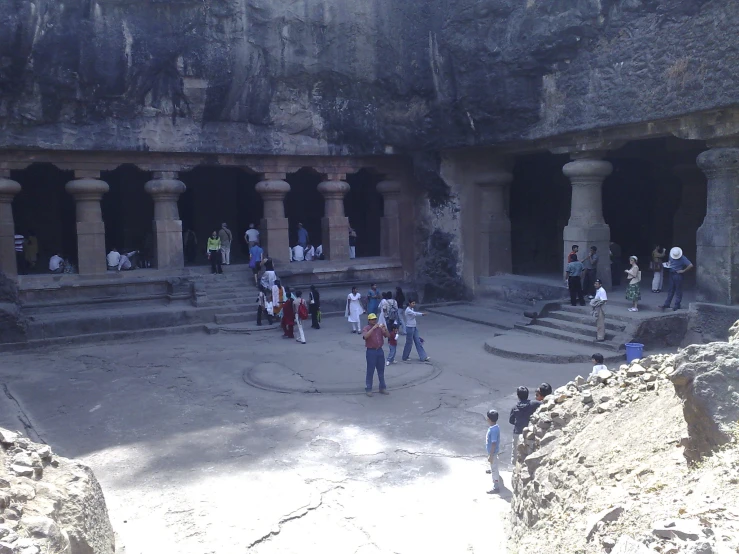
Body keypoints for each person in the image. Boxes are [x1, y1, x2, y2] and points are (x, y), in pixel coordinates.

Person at [509, 386, 541, 465]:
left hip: (517, 432)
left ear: (518, 396)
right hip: (529, 433)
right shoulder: (534, 404)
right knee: (528, 451)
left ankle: (515, 468)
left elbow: (511, 420)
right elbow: (543, 403)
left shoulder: (514, 407)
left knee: (516, 452)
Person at [362, 313, 390, 396]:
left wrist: (385, 329)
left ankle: (382, 387)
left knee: (381, 370)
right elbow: (365, 337)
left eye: (375, 319)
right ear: (369, 320)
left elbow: (388, 336)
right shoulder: (366, 328)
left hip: (379, 350)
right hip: (371, 351)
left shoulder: (379, 328)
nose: (374, 321)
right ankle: (368, 388)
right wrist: (373, 328)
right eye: (372, 319)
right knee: (370, 370)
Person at [660, 247, 693, 311]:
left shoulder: (682, 258)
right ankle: (668, 304)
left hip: (677, 274)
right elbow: (670, 262)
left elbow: (691, 265)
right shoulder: (674, 256)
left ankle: (676, 304)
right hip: (673, 273)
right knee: (672, 289)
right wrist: (669, 264)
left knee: (677, 290)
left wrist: (683, 270)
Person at [485, 409, 501, 494]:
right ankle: (493, 471)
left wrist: (491, 455)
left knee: (494, 468)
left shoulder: (493, 430)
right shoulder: (496, 427)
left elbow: (493, 443)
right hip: (494, 451)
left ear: (489, 419)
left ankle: (496, 486)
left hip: (493, 452)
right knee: (493, 465)